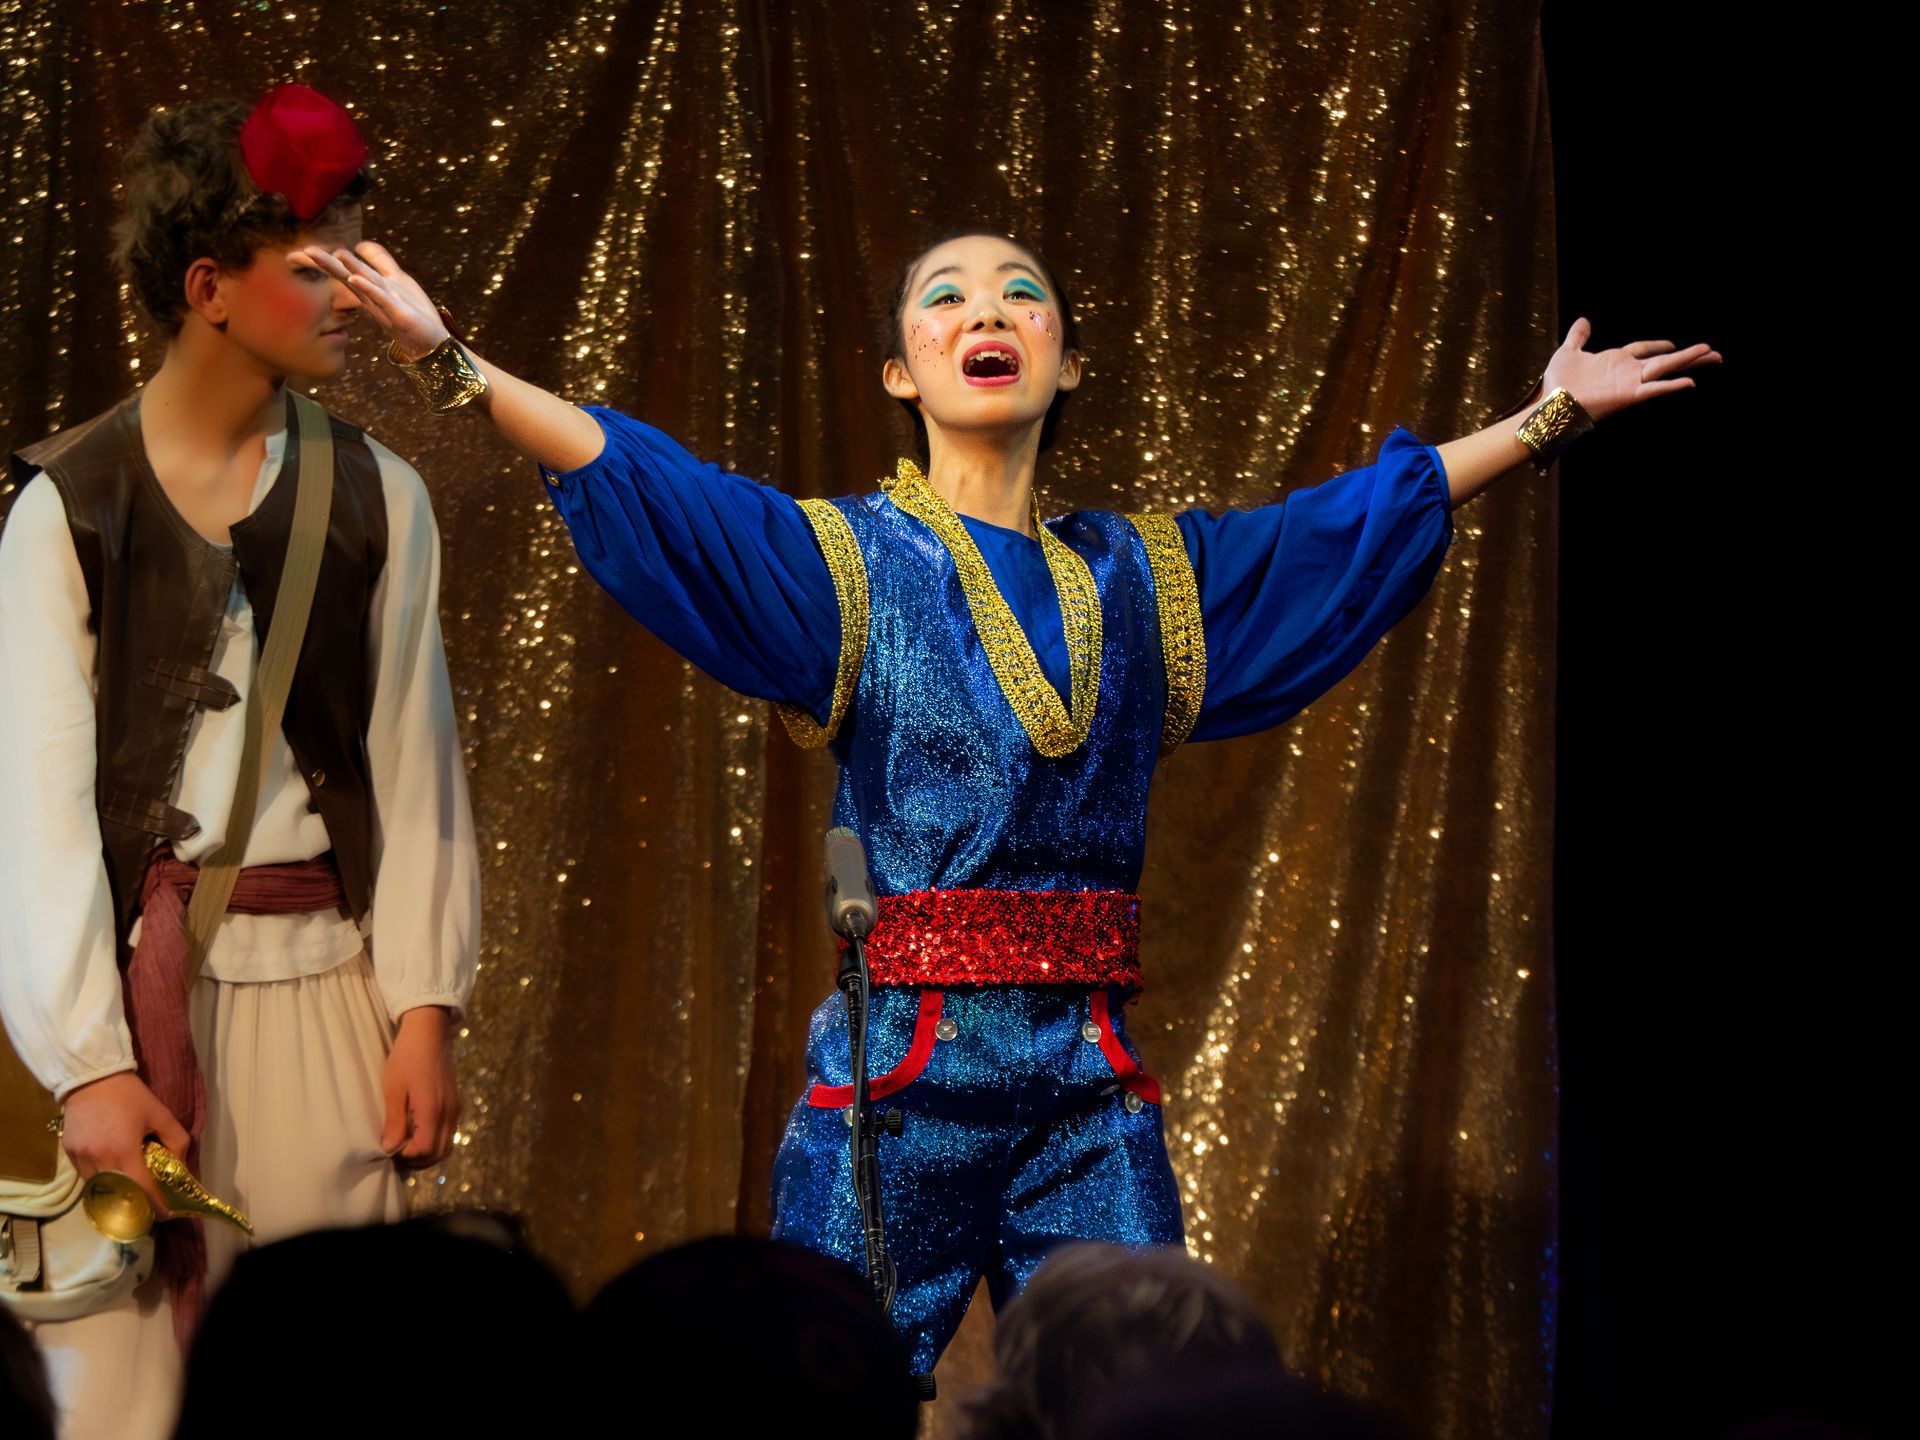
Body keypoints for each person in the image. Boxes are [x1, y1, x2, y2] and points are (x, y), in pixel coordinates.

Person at [295, 223, 1716, 1377]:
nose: (990, 310)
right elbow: (633, 474)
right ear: (906, 370)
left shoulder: (1147, 580)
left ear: (1064, 356)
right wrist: (454, 365)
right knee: (813, 1387)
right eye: (948, 298)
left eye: (1023, 295)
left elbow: (1335, 530)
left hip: (1089, 1081)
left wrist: (1540, 423)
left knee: (1151, 1388)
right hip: (903, 1084)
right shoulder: (847, 567)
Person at [0, 86, 479, 1439]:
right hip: (133, 1017)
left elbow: (413, 762)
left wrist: (424, 1004)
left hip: (328, 993)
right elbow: (26, 811)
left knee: (343, 1382)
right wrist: (86, 1063)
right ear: (210, 284)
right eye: (318, 262)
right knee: (121, 1400)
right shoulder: (67, 510)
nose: (356, 293)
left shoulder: (381, 495)